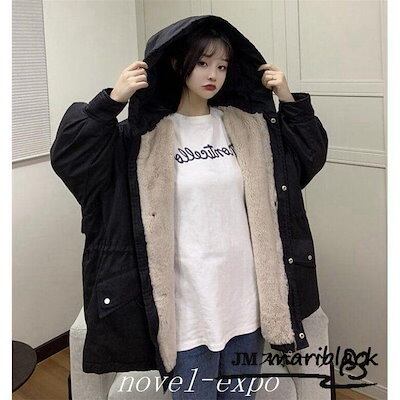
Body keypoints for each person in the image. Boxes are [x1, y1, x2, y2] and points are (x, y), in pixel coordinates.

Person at [50, 15, 331, 399]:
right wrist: (110, 102)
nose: (213, 74)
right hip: (186, 312)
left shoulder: (248, 129)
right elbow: (71, 159)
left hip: (245, 303)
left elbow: (309, 155)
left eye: (222, 66)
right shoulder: (144, 138)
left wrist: (289, 100)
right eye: (202, 62)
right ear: (175, 63)